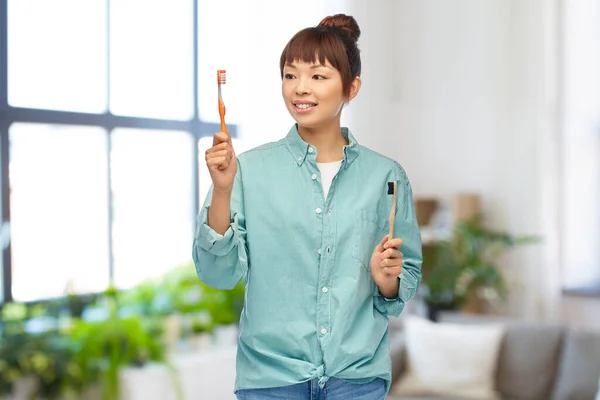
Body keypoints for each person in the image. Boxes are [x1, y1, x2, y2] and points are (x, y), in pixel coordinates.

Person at [193, 13, 422, 400]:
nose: (300, 89)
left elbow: (406, 274)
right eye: (290, 75)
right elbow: (218, 274)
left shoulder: (387, 176)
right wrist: (221, 190)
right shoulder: (246, 170)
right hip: (271, 380)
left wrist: (388, 281)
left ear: (351, 87)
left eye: (318, 76)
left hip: (357, 380)